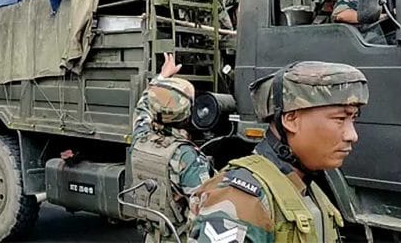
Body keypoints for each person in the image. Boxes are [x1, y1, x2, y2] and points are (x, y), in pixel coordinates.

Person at [187, 61, 368, 242]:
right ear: (290, 119)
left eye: (353, 119)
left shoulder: (306, 187)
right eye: (340, 118)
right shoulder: (241, 199)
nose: (352, 135)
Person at [130, 53, 212, 242]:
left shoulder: (141, 139)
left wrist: (161, 78)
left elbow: (142, 108)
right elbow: (201, 213)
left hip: (151, 235)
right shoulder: (186, 157)